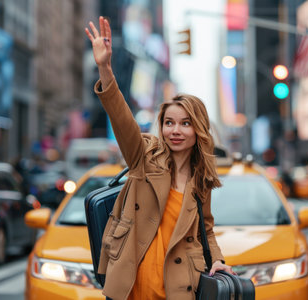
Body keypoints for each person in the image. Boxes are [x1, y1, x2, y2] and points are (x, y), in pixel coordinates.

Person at [85, 16, 235, 300]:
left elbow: (207, 227)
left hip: (179, 284)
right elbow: (122, 120)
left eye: (185, 123)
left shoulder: (201, 177)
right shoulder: (145, 156)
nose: (175, 130)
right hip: (134, 280)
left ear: (198, 129)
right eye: (169, 122)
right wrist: (105, 68)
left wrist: (217, 260)